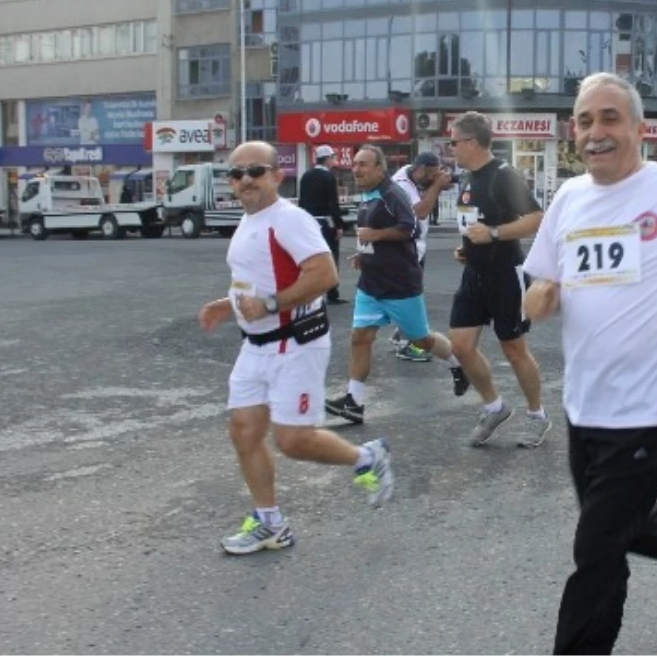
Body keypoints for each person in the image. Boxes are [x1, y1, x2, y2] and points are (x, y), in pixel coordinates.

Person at [522, 73, 657, 655]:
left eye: (610, 118)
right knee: (617, 524)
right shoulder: (568, 198)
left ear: (640, 128)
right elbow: (543, 278)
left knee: (595, 552)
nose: (597, 132)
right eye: (586, 120)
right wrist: (542, 293)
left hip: (648, 408)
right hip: (585, 403)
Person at [197, 141, 394, 555]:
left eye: (255, 171)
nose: (245, 180)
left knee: (292, 440)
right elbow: (257, 277)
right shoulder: (250, 220)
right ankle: (270, 523)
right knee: (244, 431)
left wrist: (268, 305)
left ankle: (365, 456)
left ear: (276, 175)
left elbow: (324, 274)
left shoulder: (289, 219)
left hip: (295, 344)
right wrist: (227, 304)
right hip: (255, 345)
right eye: (237, 174)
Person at [324, 146, 467, 426]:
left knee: (420, 339)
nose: (357, 169)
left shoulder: (393, 194)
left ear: (380, 168)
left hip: (400, 284)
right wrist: (363, 255)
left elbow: (411, 228)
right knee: (359, 338)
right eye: (355, 164)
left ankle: (458, 365)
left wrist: (375, 235)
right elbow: (371, 237)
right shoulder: (367, 195)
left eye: (364, 164)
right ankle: (354, 401)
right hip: (371, 284)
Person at [448, 111, 550, 448]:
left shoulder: (503, 175)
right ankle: (494, 407)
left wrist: (493, 234)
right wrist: (466, 249)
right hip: (473, 273)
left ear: (473, 143)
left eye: (454, 142)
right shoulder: (468, 178)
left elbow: (536, 218)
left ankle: (538, 416)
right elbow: (475, 224)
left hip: (506, 273)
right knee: (461, 347)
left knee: (514, 349)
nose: (452, 149)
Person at [387, 151, 453, 361]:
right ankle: (409, 344)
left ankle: (401, 334)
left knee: (409, 293)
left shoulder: (413, 177)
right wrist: (436, 187)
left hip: (414, 247)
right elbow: (422, 211)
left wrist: (437, 186)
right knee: (410, 295)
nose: (433, 178)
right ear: (421, 169)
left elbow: (425, 195)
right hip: (404, 248)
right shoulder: (402, 183)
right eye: (432, 174)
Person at [298, 145, 346, 304]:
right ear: (327, 159)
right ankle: (332, 293)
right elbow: (333, 203)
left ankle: (310, 292)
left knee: (311, 257)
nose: (334, 161)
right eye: (333, 158)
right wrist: (339, 225)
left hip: (309, 221)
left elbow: (301, 201)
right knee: (331, 255)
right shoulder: (328, 177)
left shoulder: (306, 176)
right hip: (326, 221)